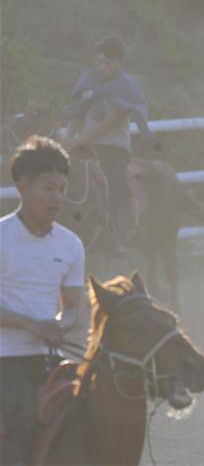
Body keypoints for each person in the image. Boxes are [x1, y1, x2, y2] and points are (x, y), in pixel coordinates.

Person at [1, 136, 85, 465]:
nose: (57, 198)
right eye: (49, 188)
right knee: (22, 425)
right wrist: (31, 325)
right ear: (23, 186)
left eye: (62, 190)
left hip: (51, 359)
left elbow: (74, 307)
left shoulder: (71, 245)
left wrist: (59, 325)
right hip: (5, 358)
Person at [64, 35, 148, 255]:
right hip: (85, 145)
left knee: (115, 182)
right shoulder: (88, 80)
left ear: (118, 63)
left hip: (113, 147)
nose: (100, 67)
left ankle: (118, 234)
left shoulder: (126, 86)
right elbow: (77, 112)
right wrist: (68, 139)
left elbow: (109, 122)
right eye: (98, 62)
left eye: (106, 62)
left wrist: (80, 140)